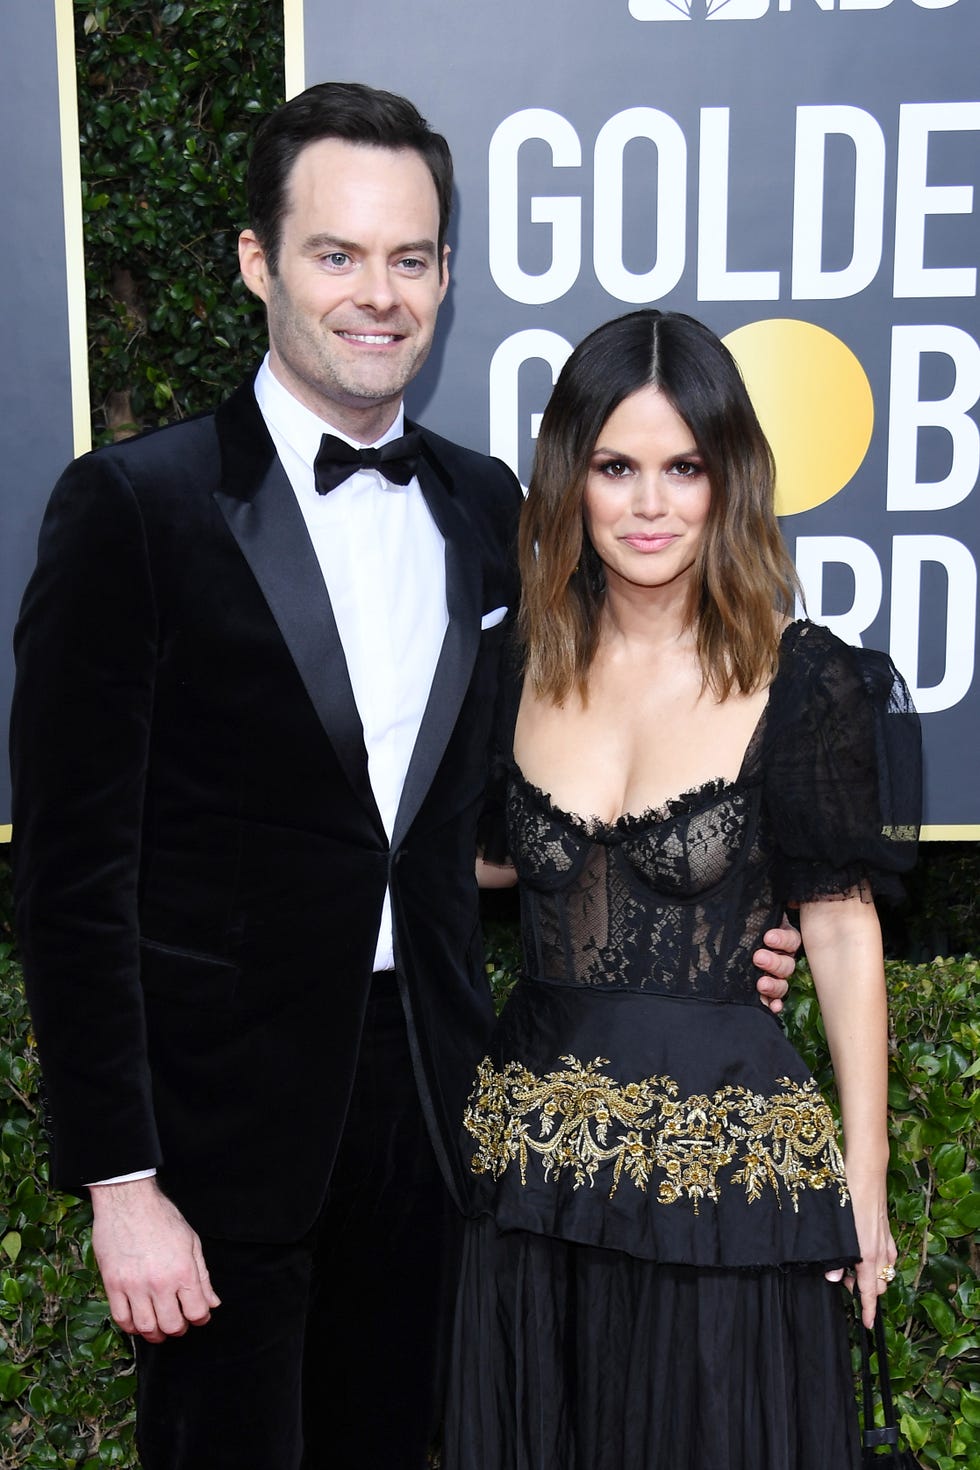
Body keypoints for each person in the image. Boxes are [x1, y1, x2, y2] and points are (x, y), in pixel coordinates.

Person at [9, 87, 796, 1470]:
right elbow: (73, 880)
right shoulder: (133, 505)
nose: (380, 295)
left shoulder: (491, 508)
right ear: (259, 262)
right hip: (219, 1137)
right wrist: (120, 1181)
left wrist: (712, 931)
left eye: (412, 258)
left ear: (444, 273)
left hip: (440, 1111)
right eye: (338, 254)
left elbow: (521, 812)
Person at [444, 310, 920, 1470]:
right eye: (615, 467)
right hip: (534, 1175)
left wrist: (863, 1187)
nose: (648, 504)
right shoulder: (512, 662)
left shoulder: (800, 676)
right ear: (571, 478)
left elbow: (841, 930)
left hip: (727, 1185)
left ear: (727, 483)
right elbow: (483, 852)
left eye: (681, 468)